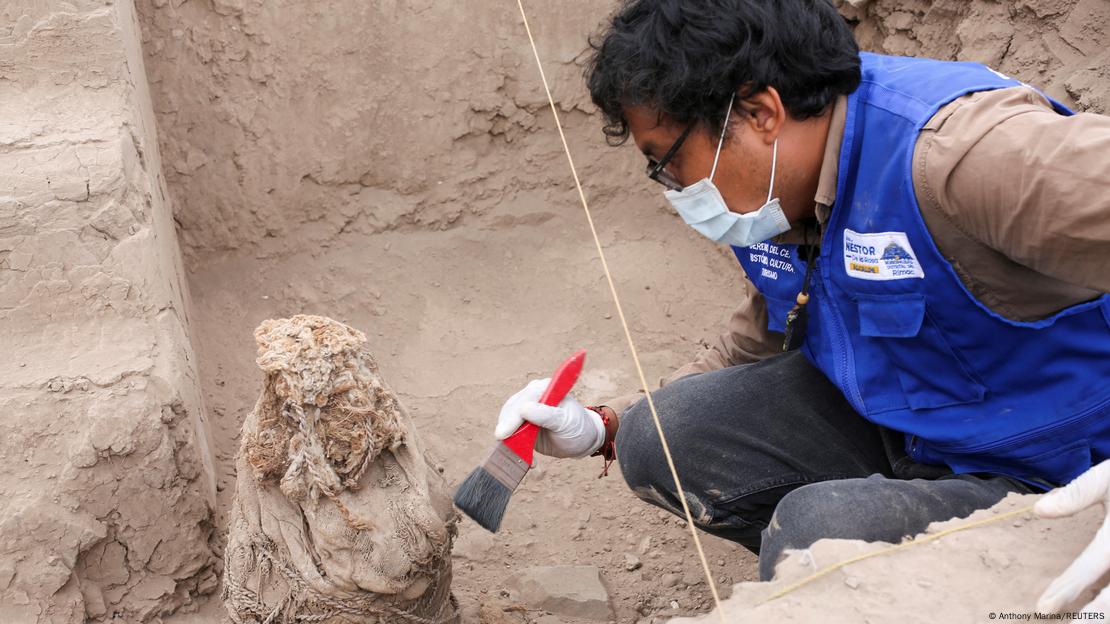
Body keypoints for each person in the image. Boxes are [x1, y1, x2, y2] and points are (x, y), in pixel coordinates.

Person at [493, 0, 1110, 611]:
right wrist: (606, 424)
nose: (676, 190)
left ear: (760, 111)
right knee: (662, 438)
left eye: (671, 161)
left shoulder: (961, 154)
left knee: (821, 534)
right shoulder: (783, 195)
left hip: (1057, 478)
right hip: (911, 429)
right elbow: (760, 338)